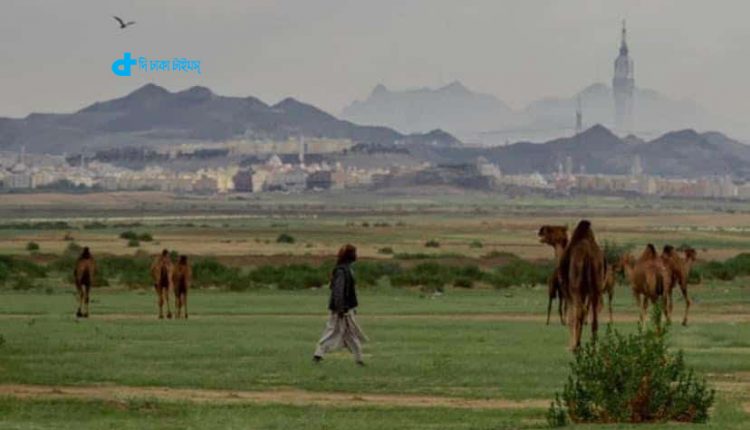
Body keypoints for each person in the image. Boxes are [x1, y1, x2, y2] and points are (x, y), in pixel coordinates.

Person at [313, 244, 367, 365]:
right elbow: (338, 291)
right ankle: (318, 354)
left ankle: (359, 359)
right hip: (341, 309)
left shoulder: (345, 269)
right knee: (332, 330)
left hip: (346, 308)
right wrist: (340, 308)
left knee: (350, 333)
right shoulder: (342, 271)